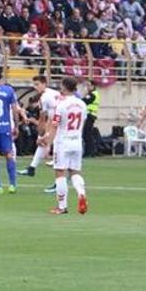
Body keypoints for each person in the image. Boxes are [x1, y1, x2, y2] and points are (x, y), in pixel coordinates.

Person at [49, 77, 89, 216]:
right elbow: (83, 122)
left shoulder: (61, 105)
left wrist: (48, 142)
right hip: (77, 141)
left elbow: (55, 124)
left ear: (64, 87)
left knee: (60, 172)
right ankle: (81, 194)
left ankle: (62, 206)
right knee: (75, 172)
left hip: (63, 142)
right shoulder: (82, 104)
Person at [22, 73, 62, 179]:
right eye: (34, 85)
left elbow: (43, 118)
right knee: (45, 144)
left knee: (49, 144)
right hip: (60, 122)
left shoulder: (44, 98)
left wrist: (41, 135)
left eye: (37, 84)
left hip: (60, 124)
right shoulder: (55, 93)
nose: (36, 87)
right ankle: (32, 168)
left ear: (44, 84)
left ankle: (60, 181)